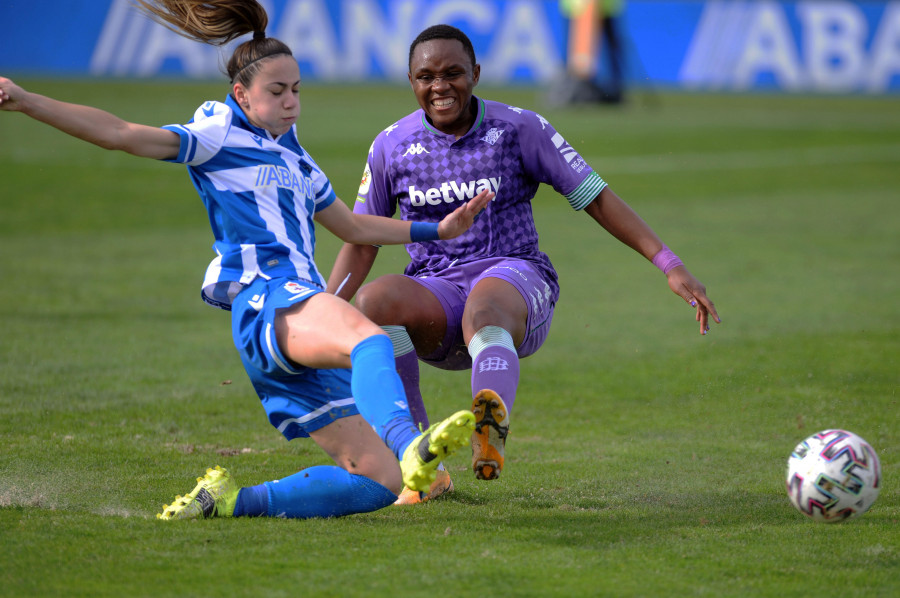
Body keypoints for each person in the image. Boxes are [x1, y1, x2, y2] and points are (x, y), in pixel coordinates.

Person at [0, 1, 493, 521]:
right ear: (241, 94)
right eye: (277, 92)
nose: (290, 102)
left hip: (289, 323)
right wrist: (28, 101)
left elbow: (353, 227)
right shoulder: (217, 137)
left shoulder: (299, 160)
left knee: (378, 483)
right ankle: (410, 443)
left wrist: (434, 229)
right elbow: (121, 134)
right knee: (370, 340)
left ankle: (230, 501)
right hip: (268, 300)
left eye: (297, 90)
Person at [327, 24, 720, 504]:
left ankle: (489, 426)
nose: (440, 86)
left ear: (476, 72)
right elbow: (362, 239)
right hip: (438, 297)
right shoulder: (391, 145)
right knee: (375, 302)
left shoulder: (518, 129)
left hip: (514, 280)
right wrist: (328, 308)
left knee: (485, 306)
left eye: (453, 73)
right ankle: (423, 463)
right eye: (426, 76)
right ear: (411, 81)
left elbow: (595, 198)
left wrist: (668, 262)